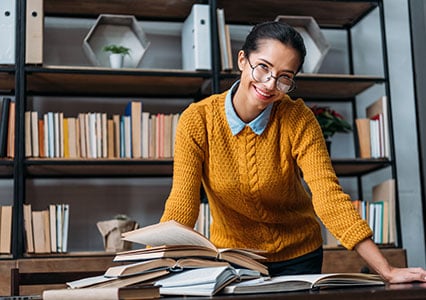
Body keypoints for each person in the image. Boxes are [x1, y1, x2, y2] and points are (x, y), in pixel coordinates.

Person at [160, 21, 426, 283]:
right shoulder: (197, 120)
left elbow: (328, 197)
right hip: (235, 260)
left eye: (284, 77)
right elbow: (182, 204)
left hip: (299, 257)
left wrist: (386, 270)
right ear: (242, 60)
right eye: (263, 67)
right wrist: (148, 268)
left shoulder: (299, 119)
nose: (269, 84)